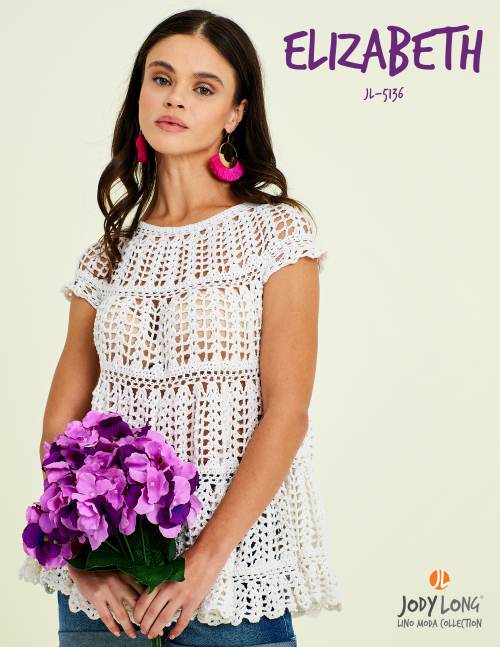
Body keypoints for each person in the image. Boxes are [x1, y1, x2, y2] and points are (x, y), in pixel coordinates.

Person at [18, 8, 342, 647]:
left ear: (235, 113)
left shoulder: (276, 234)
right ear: (140, 92)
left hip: (225, 587)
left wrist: (201, 564)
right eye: (161, 79)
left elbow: (287, 413)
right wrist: (84, 560)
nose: (175, 99)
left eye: (203, 87)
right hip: (105, 597)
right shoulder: (106, 257)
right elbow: (61, 425)